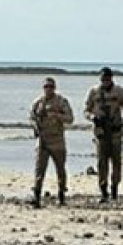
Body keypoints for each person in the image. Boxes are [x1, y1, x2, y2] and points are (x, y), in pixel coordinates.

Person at [83, 67, 123, 202]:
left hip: (115, 132)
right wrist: (92, 117)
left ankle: (114, 189)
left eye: (107, 78)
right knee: (102, 162)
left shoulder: (120, 92)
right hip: (100, 133)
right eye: (103, 78)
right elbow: (86, 111)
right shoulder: (94, 92)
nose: (105, 81)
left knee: (116, 161)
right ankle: (103, 191)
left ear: (111, 78)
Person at [29, 77, 74, 207]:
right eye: (46, 86)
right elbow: (31, 117)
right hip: (42, 140)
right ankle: (36, 196)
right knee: (39, 169)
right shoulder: (38, 102)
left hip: (57, 140)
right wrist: (35, 126)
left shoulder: (61, 101)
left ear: (54, 88)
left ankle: (61, 195)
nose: (48, 89)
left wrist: (57, 116)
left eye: (50, 87)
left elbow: (70, 118)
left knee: (60, 169)